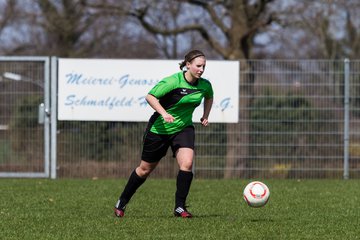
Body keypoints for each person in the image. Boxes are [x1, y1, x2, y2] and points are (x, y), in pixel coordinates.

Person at [114, 50, 214, 218]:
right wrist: (164, 113)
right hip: (159, 130)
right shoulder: (173, 81)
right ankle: (122, 201)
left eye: (204, 66)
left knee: (187, 164)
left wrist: (206, 115)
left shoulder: (205, 85)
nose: (201, 69)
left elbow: (209, 97)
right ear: (188, 65)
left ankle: (180, 207)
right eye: (198, 66)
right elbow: (150, 96)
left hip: (183, 128)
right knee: (144, 170)